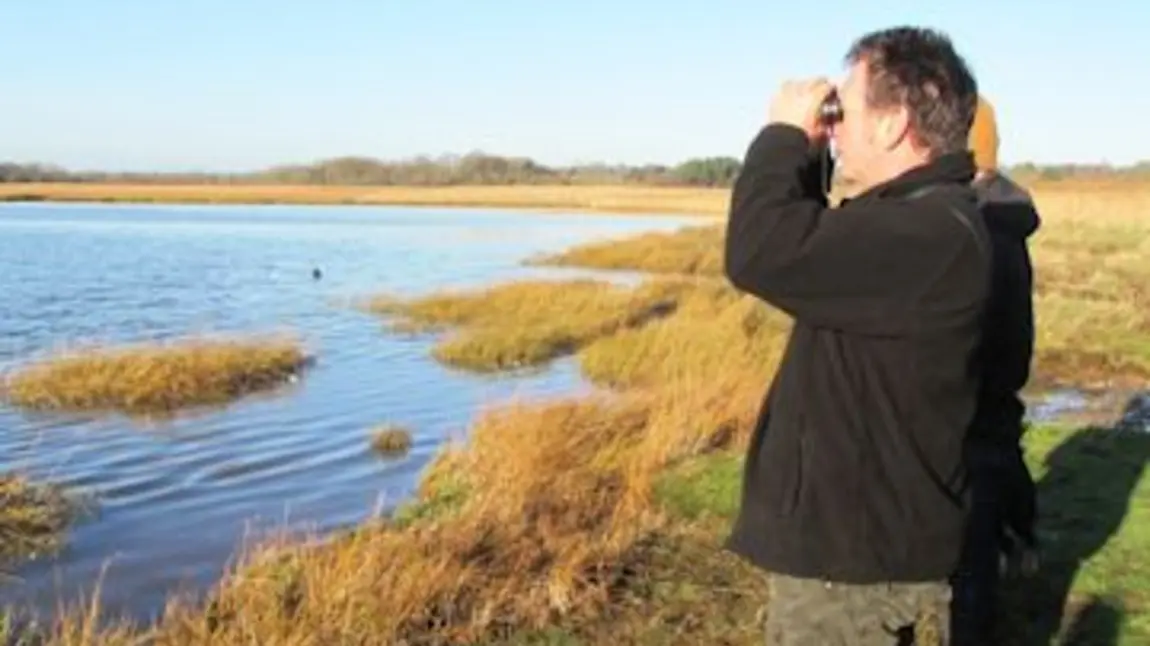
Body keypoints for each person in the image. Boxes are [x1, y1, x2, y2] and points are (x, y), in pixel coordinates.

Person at [722, 26, 992, 644]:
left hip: (853, 569)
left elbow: (761, 251)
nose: (833, 124)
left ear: (894, 122)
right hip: (865, 545)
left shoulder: (927, 233)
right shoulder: (926, 218)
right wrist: (815, 152)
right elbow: (811, 243)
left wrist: (783, 135)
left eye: (844, 108)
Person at [949, 95, 1042, 645]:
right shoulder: (1005, 216)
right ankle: (1022, 539)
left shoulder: (975, 221)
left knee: (971, 557)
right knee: (1000, 475)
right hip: (997, 395)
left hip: (974, 401)